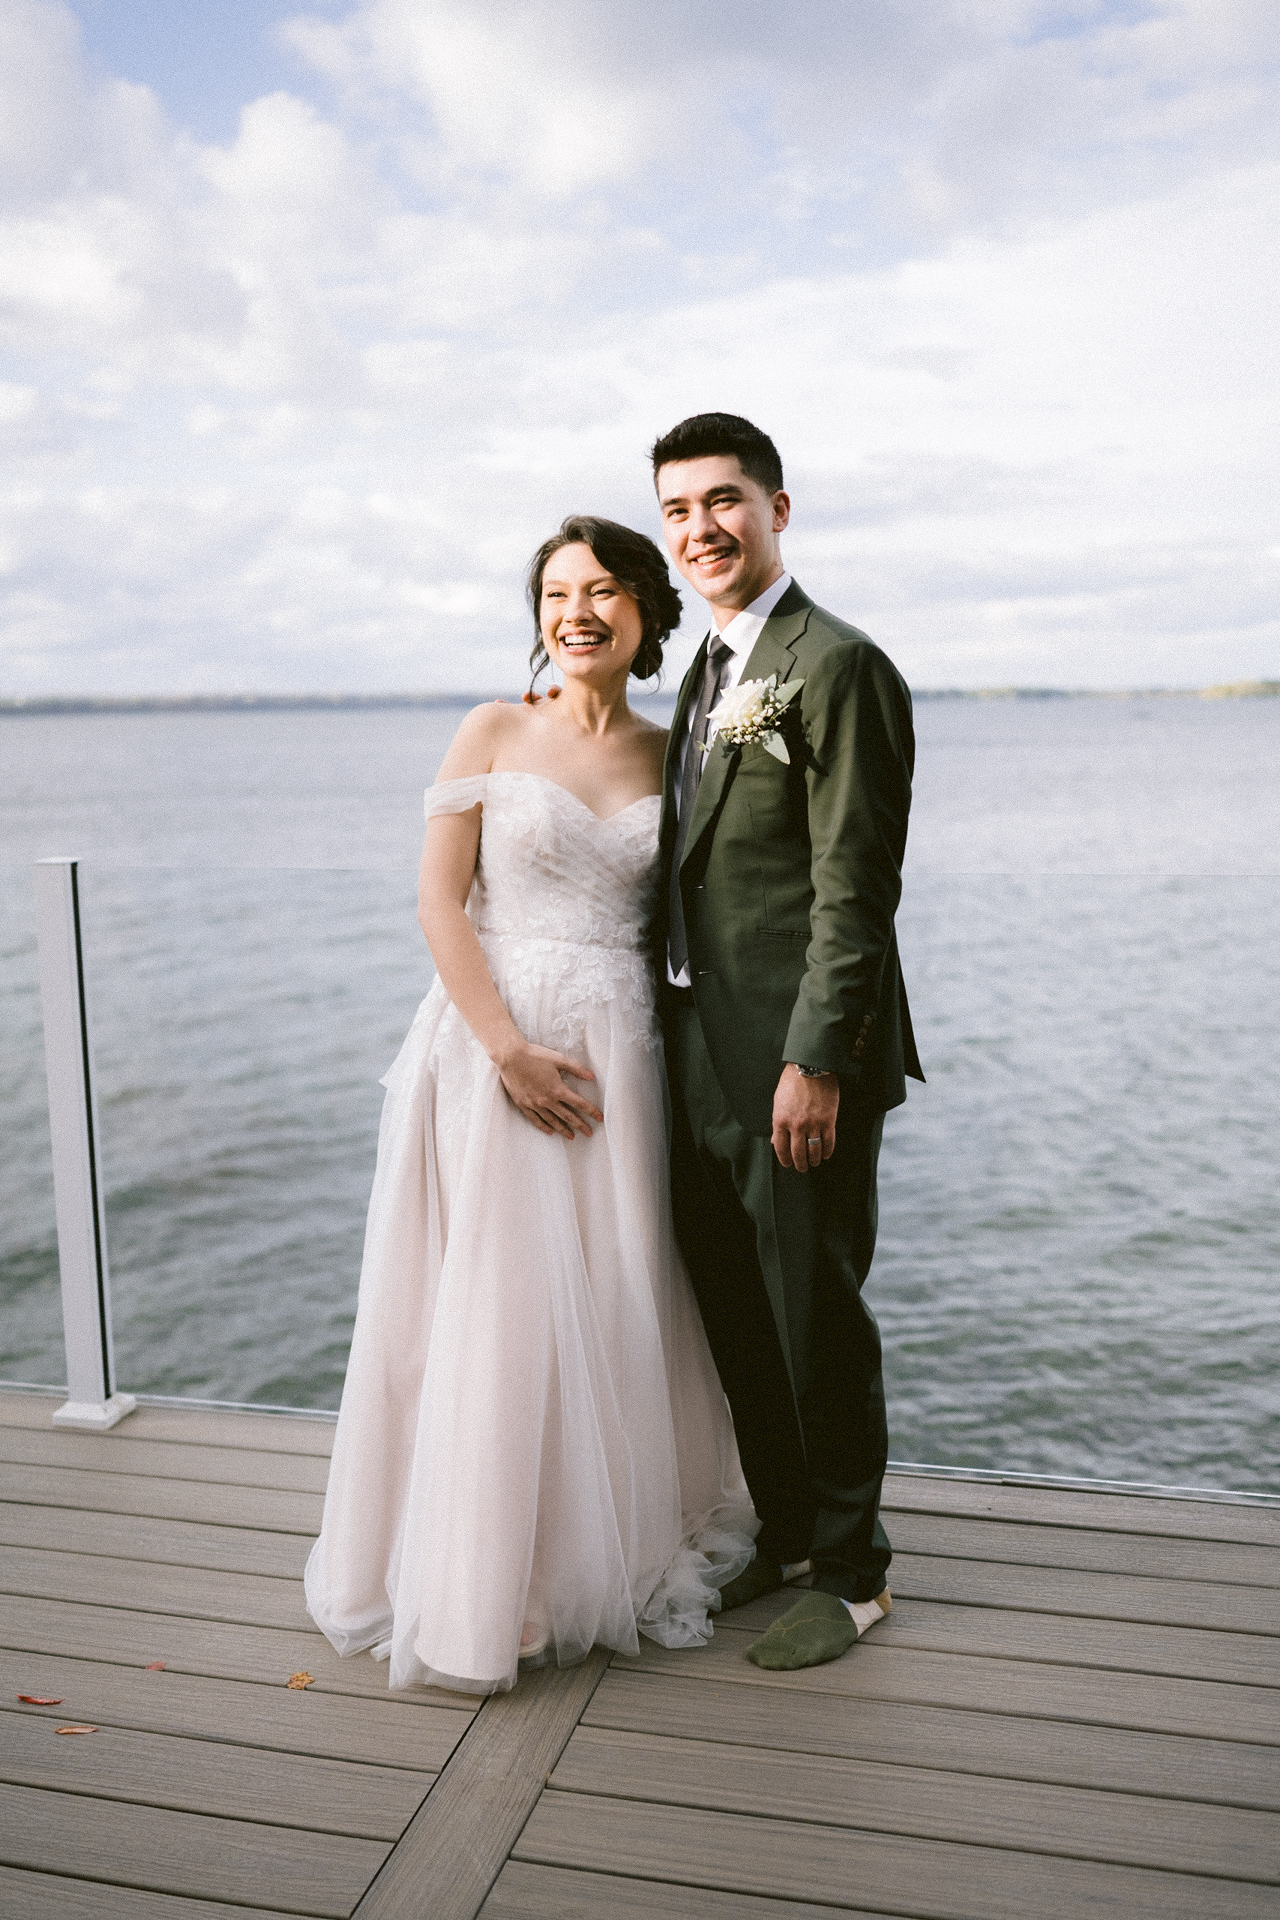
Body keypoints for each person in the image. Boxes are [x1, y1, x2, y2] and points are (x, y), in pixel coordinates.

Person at [305, 515, 756, 1695]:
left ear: (647, 614)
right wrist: (505, 1049)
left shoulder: (678, 758)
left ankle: (580, 1563)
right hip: (491, 1049)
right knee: (495, 1308)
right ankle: (483, 1581)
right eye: (556, 591)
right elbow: (438, 906)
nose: (577, 610)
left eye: (604, 588)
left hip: (621, 1054)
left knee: (610, 1295)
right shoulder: (493, 729)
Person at [652, 412, 924, 1671]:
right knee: (734, 1311)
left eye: (722, 502)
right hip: (696, 1057)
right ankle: (789, 1532)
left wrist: (815, 1062)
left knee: (812, 1306)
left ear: (775, 508)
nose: (699, 529)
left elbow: (853, 889)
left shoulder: (837, 663)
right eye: (676, 511)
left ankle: (857, 1570)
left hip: (796, 1062)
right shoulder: (705, 672)